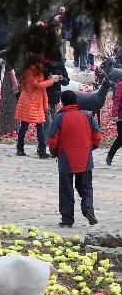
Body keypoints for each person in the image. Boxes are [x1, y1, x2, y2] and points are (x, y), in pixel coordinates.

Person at [48, 90, 101, 227]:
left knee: (66, 188)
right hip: (85, 158)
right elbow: (96, 134)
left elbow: (53, 138)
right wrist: (91, 148)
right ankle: (89, 210)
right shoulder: (87, 115)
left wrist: (54, 152)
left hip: (66, 158)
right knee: (86, 186)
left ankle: (67, 219)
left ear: (63, 102)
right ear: (76, 101)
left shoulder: (59, 117)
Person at [15, 55, 58, 158]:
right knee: (24, 126)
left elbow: (43, 91)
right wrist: (52, 81)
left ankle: (42, 151)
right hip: (28, 102)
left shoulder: (39, 72)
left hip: (37, 103)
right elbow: (37, 85)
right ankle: (20, 148)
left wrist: (45, 105)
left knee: (40, 127)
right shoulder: (28, 71)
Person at [44, 54, 70, 131]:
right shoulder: (45, 66)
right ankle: (47, 138)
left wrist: (61, 78)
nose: (54, 64)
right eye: (52, 62)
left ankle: (51, 137)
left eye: (55, 62)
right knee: (48, 120)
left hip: (55, 95)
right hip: (45, 95)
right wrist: (47, 78)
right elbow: (39, 80)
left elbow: (66, 82)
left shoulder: (61, 66)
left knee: (53, 118)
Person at [107, 77, 122, 165]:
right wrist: (115, 114)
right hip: (120, 115)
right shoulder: (120, 85)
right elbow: (116, 100)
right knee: (121, 138)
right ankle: (110, 155)